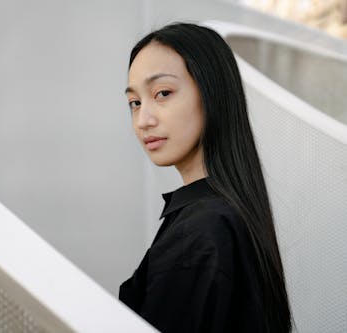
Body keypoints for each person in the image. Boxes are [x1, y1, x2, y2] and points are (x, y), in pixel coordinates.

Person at [119, 23, 291, 333]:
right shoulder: (225, 215)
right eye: (135, 102)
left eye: (163, 93)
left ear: (211, 92)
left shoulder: (200, 232)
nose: (144, 120)